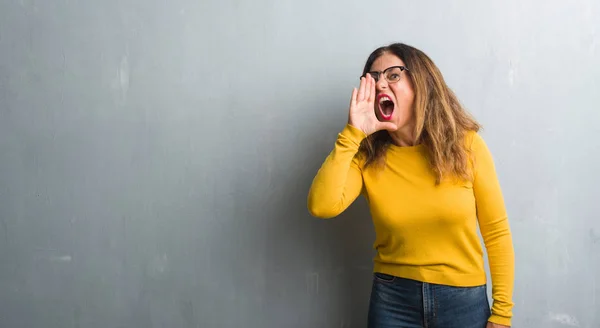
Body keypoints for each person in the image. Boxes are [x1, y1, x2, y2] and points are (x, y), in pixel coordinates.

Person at [307, 43, 515, 328]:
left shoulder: (467, 146)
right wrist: (352, 133)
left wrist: (502, 315)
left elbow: (497, 232)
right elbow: (322, 205)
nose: (381, 84)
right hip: (392, 301)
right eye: (373, 77)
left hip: (463, 301)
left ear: (422, 83)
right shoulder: (366, 157)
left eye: (393, 75)